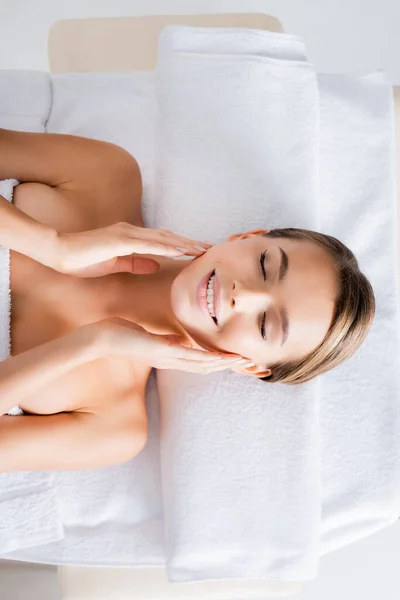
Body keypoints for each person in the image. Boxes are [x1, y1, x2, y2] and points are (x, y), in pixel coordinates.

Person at [0, 129, 375, 472]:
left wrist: (96, 342)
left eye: (265, 324)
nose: (242, 295)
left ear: (250, 366)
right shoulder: (106, 174)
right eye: (264, 264)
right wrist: (51, 245)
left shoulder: (112, 425)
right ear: (248, 236)